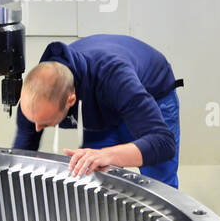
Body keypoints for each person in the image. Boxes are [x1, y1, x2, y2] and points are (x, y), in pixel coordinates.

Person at [12, 34, 181, 187]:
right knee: (97, 179)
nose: (37, 128)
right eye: (33, 120)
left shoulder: (115, 79)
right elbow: (22, 158)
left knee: (157, 183)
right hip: (105, 101)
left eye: (46, 122)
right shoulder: (36, 99)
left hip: (150, 92)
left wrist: (108, 154)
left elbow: (163, 143)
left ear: (71, 100)